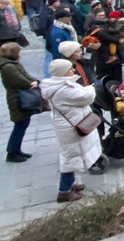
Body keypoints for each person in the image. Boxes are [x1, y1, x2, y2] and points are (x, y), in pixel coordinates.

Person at [40, 59, 104, 202]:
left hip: (67, 125)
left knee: (72, 156)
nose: (73, 70)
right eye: (70, 69)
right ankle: (64, 191)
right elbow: (87, 97)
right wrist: (92, 87)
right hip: (71, 127)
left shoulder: (57, 85)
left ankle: (70, 184)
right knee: (71, 158)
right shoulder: (64, 89)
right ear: (63, 72)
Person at [0, 41, 39, 162]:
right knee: (20, 125)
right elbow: (20, 80)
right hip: (17, 98)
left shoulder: (13, 64)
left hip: (19, 96)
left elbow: (26, 75)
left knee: (23, 124)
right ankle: (12, 152)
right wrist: (31, 83)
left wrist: (35, 81)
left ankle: (17, 149)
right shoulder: (8, 67)